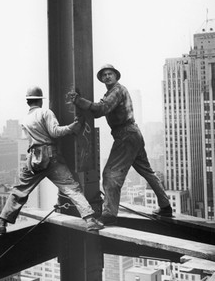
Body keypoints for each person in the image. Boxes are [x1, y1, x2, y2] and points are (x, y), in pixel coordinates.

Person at [0, 85, 104, 234]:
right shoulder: (45, 112)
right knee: (71, 188)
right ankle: (90, 220)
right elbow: (55, 132)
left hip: (33, 159)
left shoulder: (25, 119)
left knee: (19, 190)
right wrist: (72, 127)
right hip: (51, 157)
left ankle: (1, 223)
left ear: (28, 102)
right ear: (40, 101)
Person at [67, 64, 172, 225]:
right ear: (102, 79)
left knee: (110, 175)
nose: (107, 76)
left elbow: (101, 109)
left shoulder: (116, 90)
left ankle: (109, 214)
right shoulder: (112, 92)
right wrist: (84, 104)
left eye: (110, 74)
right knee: (147, 171)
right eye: (104, 75)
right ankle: (165, 206)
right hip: (133, 134)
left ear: (116, 76)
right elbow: (97, 111)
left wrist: (78, 100)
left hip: (125, 135)